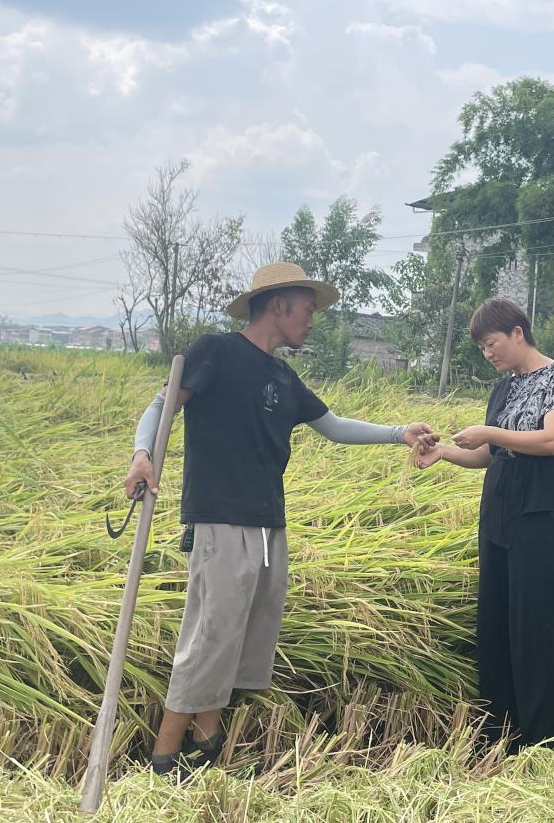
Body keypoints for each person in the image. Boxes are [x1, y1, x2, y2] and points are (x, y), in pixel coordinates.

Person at [122, 261, 437, 775]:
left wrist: (399, 431)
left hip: (269, 525)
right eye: (308, 309)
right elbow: (163, 405)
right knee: (209, 638)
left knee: (242, 639)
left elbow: (332, 427)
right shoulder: (216, 352)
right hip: (221, 520)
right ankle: (162, 759)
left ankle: (205, 748)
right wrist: (142, 453)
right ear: (278, 304)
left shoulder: (282, 375)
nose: (313, 320)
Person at [415, 297, 554, 756]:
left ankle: (548, 741)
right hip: (499, 512)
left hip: (541, 513)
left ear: (517, 332)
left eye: (491, 343)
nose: (487, 354)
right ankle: (499, 735)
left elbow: (553, 441)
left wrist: (490, 433)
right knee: (496, 622)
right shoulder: (505, 389)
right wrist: (444, 453)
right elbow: (487, 457)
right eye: (480, 348)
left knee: (536, 623)